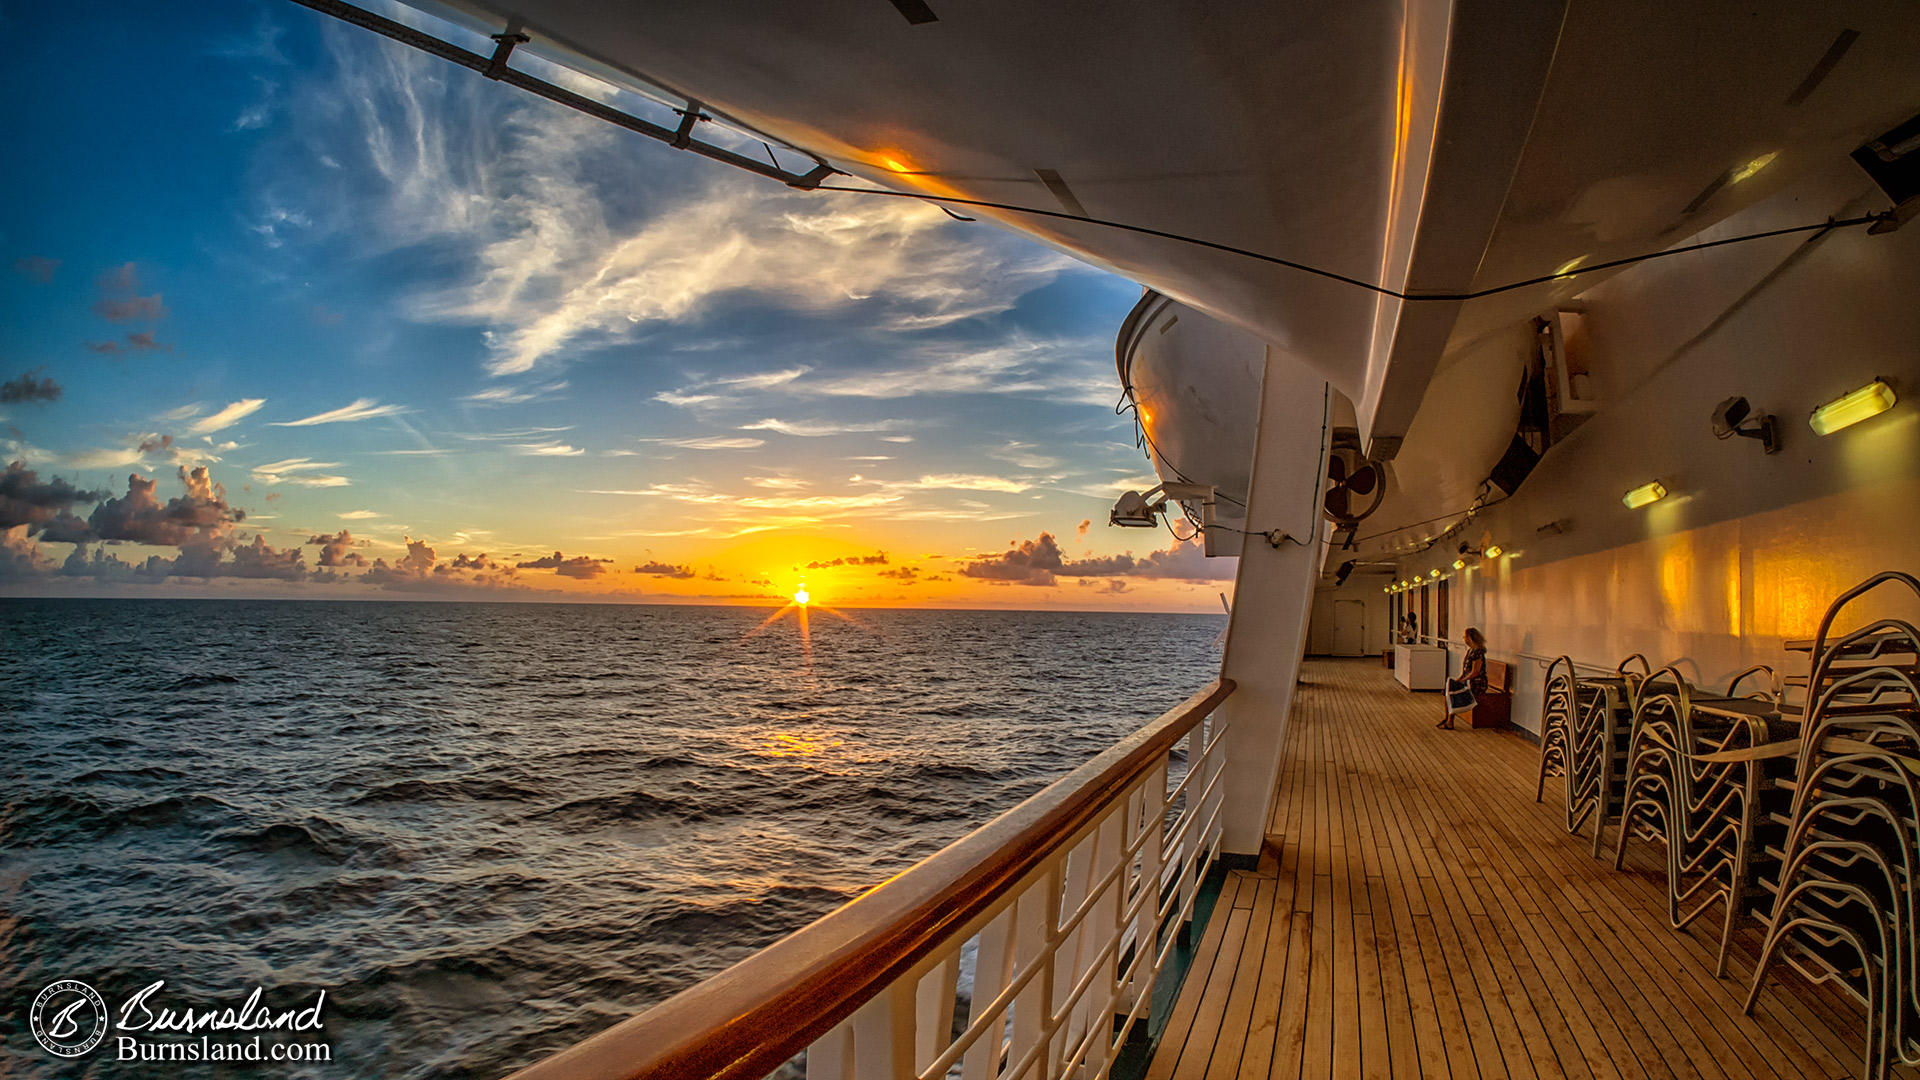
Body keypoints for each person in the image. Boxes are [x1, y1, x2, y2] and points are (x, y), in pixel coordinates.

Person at [1438, 627, 1487, 729]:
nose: (1464, 639)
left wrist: (1462, 681)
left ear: (1471, 638)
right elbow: (1465, 671)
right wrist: (1458, 680)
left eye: (1466, 637)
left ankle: (1450, 721)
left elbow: (1475, 672)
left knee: (1452, 690)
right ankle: (1448, 718)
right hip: (1469, 681)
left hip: (1477, 684)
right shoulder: (1470, 651)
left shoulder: (1478, 652)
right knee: (1448, 689)